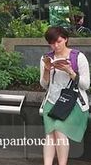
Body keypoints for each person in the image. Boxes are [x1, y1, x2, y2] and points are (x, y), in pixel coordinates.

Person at [40, 26, 90, 165]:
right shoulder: (46, 59)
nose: (56, 46)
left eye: (59, 41)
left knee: (59, 131)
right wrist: (46, 70)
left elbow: (85, 85)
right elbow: (44, 85)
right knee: (50, 134)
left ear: (66, 39)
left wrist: (70, 71)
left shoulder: (78, 57)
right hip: (51, 101)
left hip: (73, 103)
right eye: (52, 43)